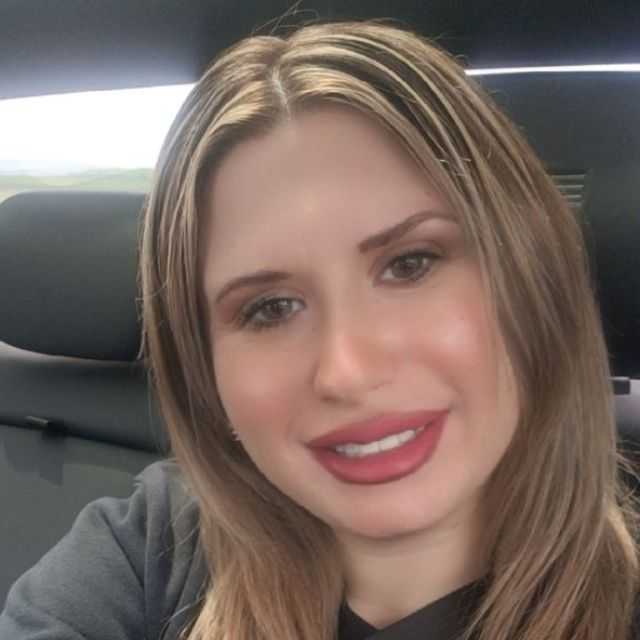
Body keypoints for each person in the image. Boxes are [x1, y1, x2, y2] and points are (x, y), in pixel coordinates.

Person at [1, 18, 639, 640]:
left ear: (531, 281)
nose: (347, 371)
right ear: (206, 368)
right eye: (270, 308)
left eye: (410, 264)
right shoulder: (157, 542)